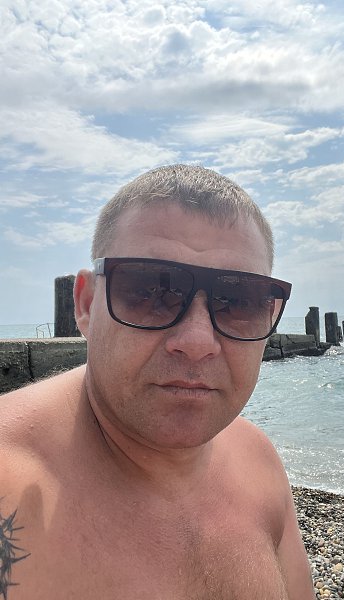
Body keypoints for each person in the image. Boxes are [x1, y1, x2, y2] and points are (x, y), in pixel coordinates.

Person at [0, 165, 315, 599]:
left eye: (239, 301)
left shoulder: (258, 462)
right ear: (87, 304)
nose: (197, 342)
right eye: (150, 291)